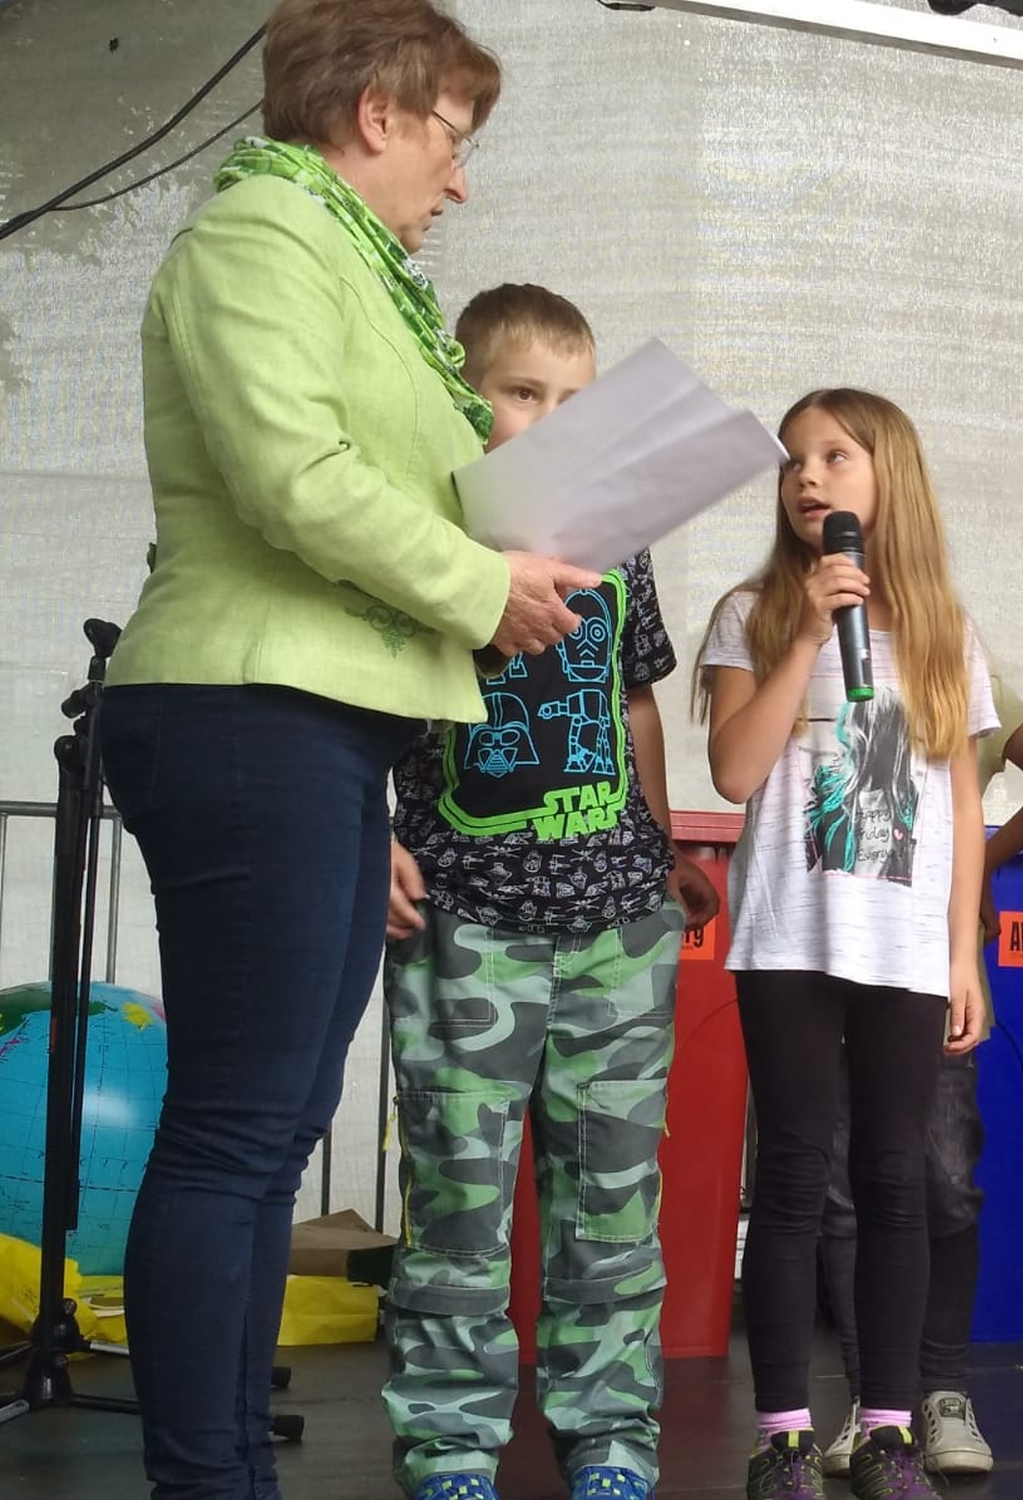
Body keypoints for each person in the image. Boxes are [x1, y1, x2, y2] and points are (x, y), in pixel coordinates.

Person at [95, 5, 598, 1495]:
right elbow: (294, 477)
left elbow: (370, 496)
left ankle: (229, 1471)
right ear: (377, 112)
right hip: (246, 709)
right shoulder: (261, 236)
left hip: (315, 728)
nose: (461, 178)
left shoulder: (352, 267)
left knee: (273, 1131)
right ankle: (208, 1481)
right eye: (453, 137)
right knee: (237, 1133)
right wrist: (482, 586)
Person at [374, 284, 720, 1500]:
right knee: (459, 1206)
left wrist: (658, 843)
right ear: (467, 398)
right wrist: (373, 830)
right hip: (467, 919)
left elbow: (637, 700)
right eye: (526, 393)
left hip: (615, 921)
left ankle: (612, 1440)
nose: (554, 417)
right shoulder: (422, 533)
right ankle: (448, 1446)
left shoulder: (620, 540)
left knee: (610, 1209)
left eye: (577, 399)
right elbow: (360, 694)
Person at [698, 389, 995, 1500]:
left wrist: (961, 956)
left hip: (904, 948)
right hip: (787, 939)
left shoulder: (944, 629)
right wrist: (810, 632)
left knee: (895, 1179)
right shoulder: (753, 612)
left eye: (834, 456)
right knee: (790, 1179)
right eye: (793, 461)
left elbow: (960, 804)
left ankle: (886, 1431)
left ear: (888, 480)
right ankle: (781, 1436)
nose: (807, 477)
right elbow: (736, 771)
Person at [818, 677, 1023, 1478]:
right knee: (843, 1192)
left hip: (933, 977)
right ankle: (871, 1399)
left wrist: (981, 858)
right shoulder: (817, 660)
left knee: (946, 1183)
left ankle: (944, 1392)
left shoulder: (964, 672)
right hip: (825, 967)